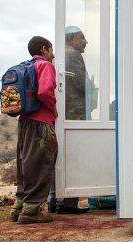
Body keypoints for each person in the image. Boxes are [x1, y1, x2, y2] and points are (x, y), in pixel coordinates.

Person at [10, 36, 58, 224]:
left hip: (24, 122)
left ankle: (19, 207)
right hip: (41, 122)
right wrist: (53, 109)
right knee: (41, 163)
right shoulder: (44, 66)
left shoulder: (25, 66)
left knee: (25, 162)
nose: (53, 54)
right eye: (52, 50)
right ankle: (32, 211)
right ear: (44, 49)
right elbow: (45, 92)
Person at [47, 26, 91, 214]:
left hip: (62, 114)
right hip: (74, 114)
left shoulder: (58, 56)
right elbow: (82, 85)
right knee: (72, 158)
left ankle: (54, 200)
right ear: (71, 39)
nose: (85, 42)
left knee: (58, 158)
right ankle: (67, 204)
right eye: (82, 38)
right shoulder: (72, 55)